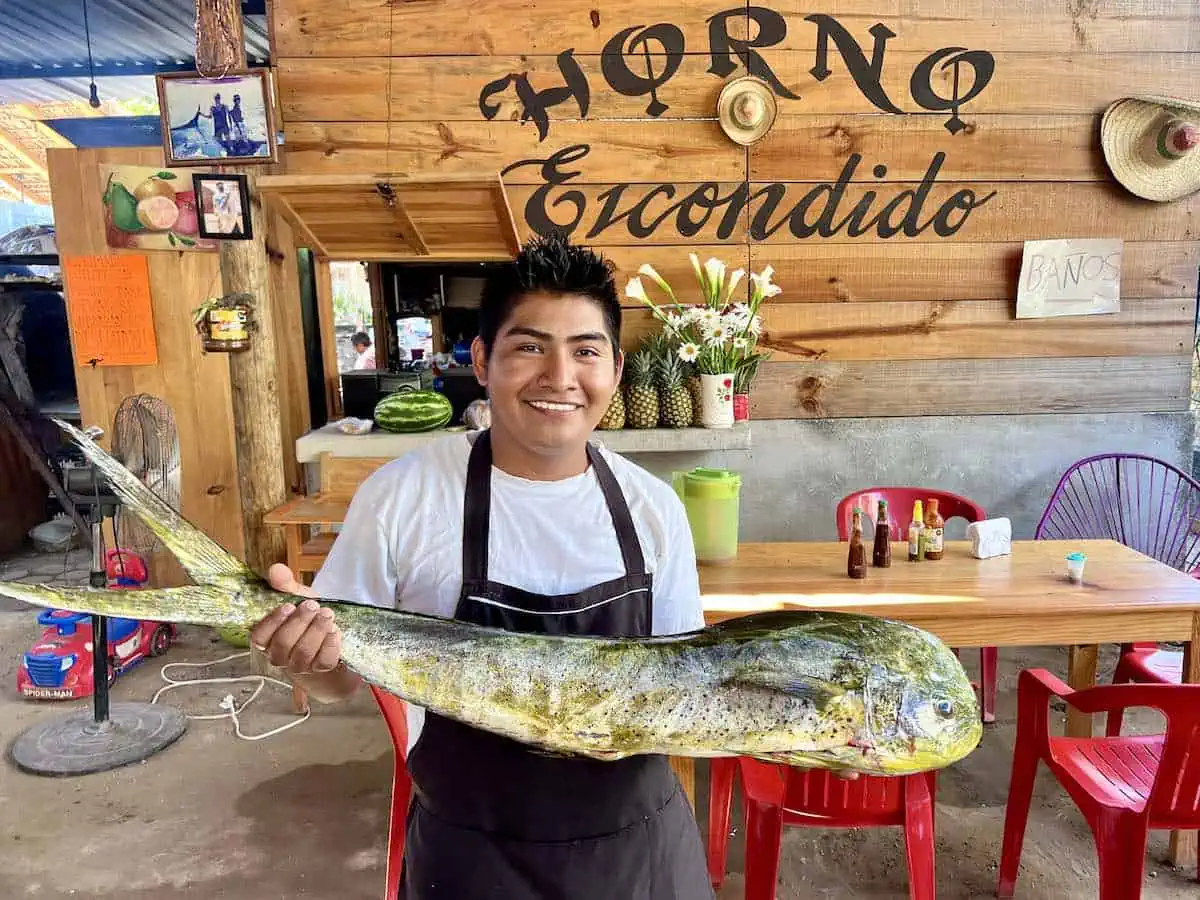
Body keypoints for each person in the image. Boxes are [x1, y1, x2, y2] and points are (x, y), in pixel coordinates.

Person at [249, 232, 714, 899]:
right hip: (471, 860)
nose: (559, 377)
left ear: (613, 368)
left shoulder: (654, 509)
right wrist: (307, 662)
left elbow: (683, 693)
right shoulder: (403, 496)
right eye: (529, 347)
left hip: (636, 858)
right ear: (481, 360)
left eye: (584, 351)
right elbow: (338, 683)